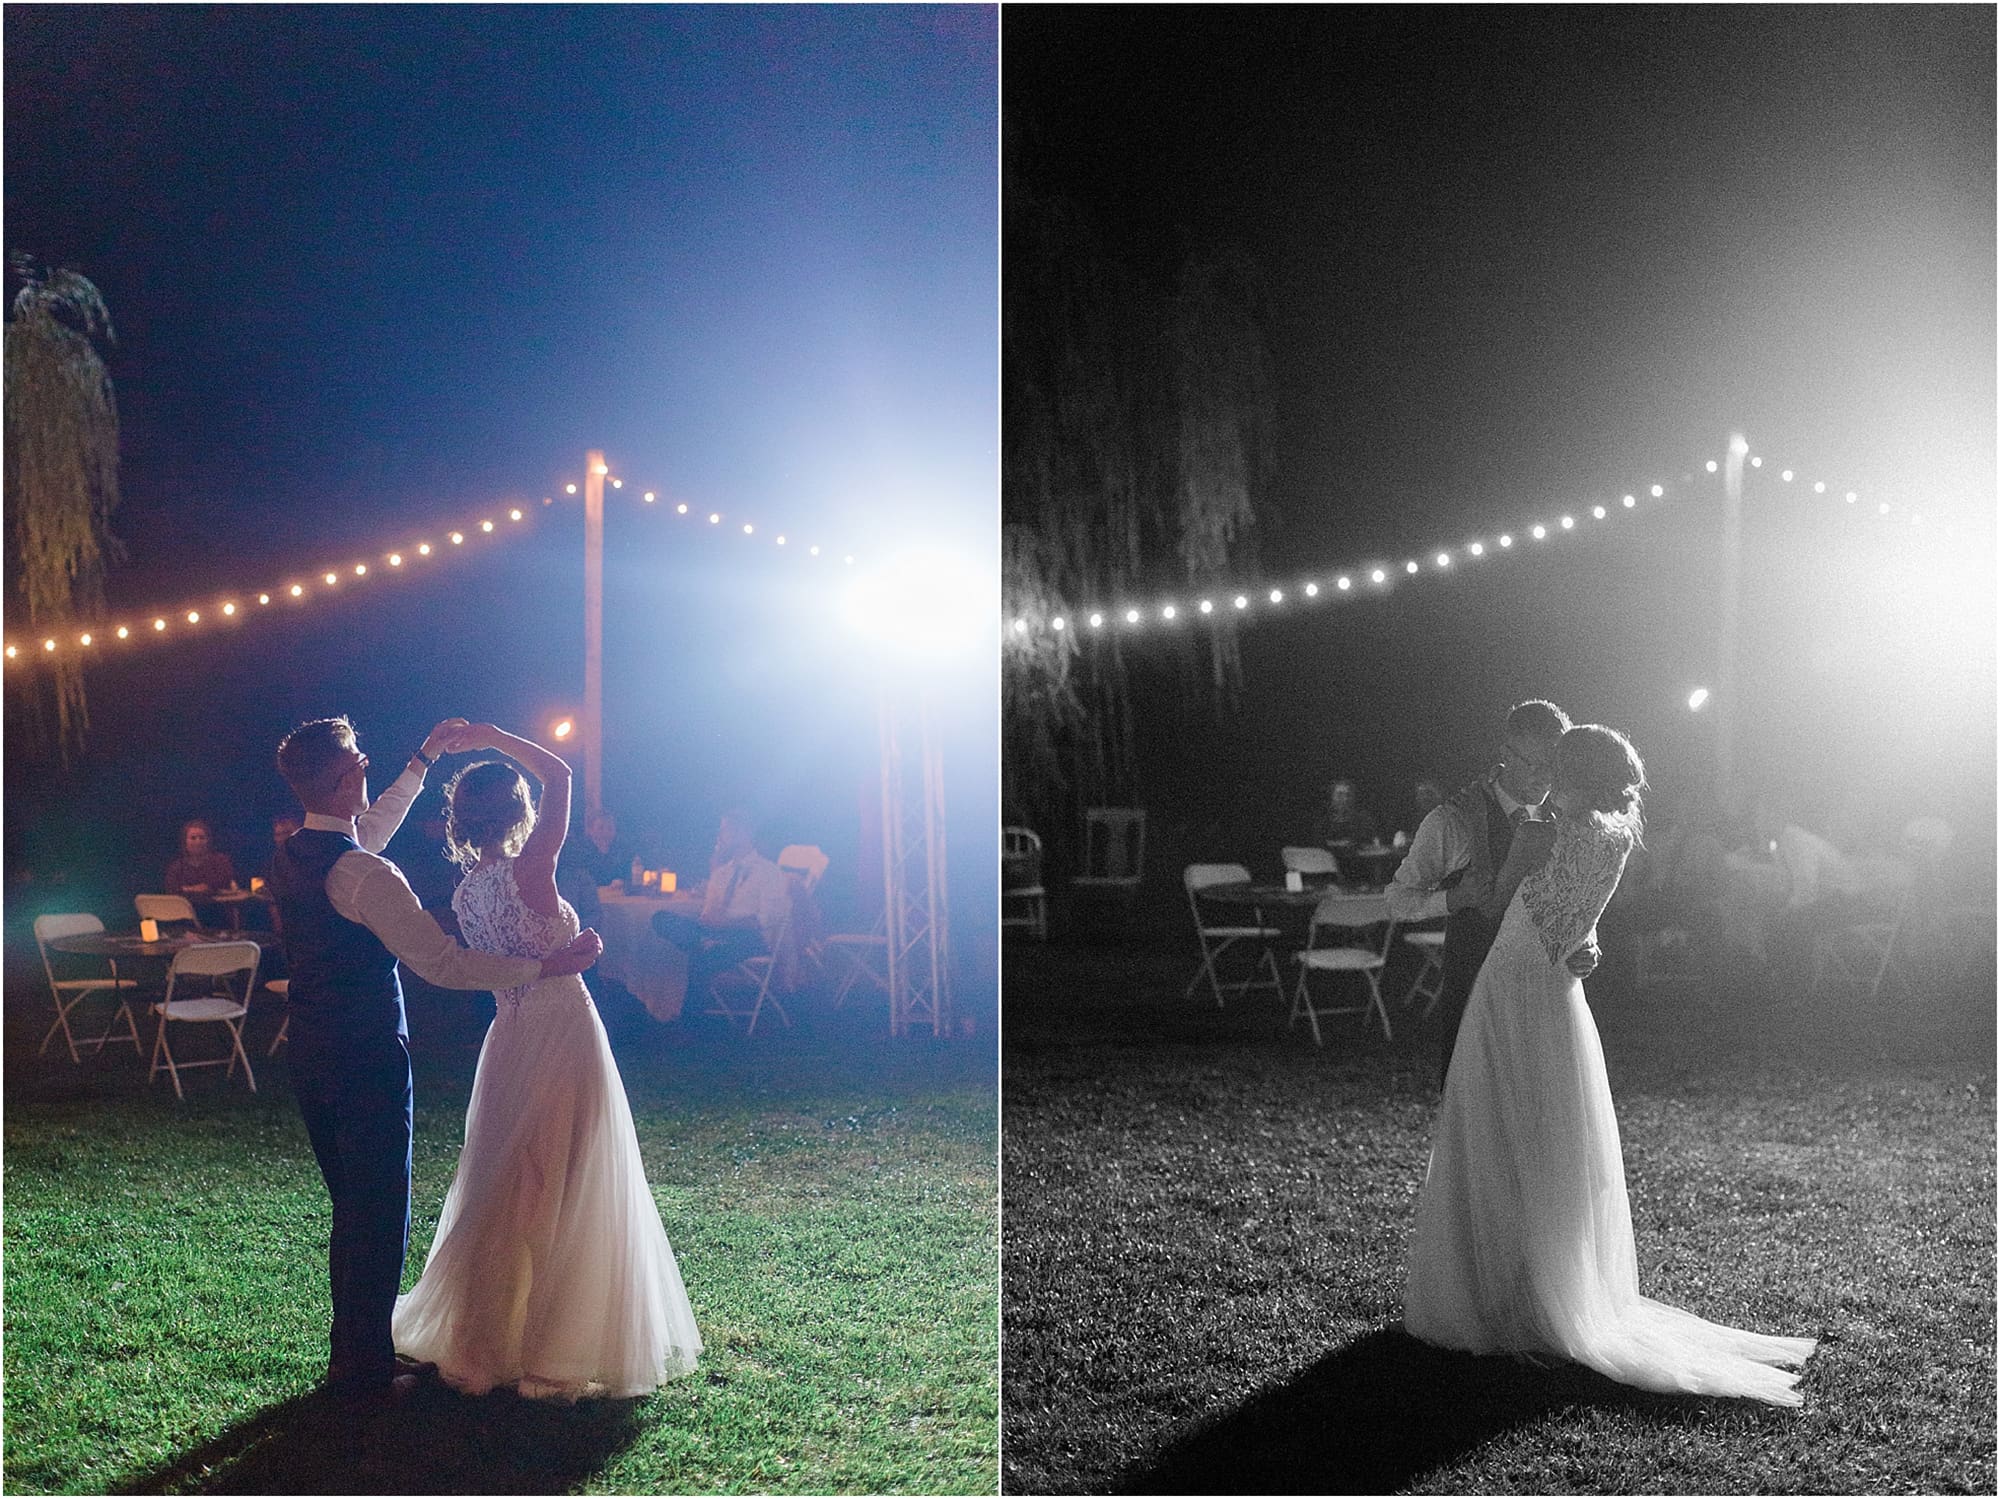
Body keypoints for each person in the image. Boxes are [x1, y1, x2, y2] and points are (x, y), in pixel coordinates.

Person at [1404, 725, 1816, 1404]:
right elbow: (1579, 918)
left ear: (1570, 771)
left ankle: (1504, 1296)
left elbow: (1502, 902)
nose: (1543, 775)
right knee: (1550, 1145)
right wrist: (1580, 945)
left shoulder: (1543, 830)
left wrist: (1500, 875)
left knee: (1499, 1135)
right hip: (1558, 996)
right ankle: (1544, 1285)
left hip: (1510, 987)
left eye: (1554, 765)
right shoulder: (1618, 836)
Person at [270, 715, 604, 1405]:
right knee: (376, 1207)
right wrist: (549, 963)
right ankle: (364, 1369)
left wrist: (421, 758)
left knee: (351, 1205)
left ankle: (353, 1353)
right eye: (361, 758)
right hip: (363, 1052)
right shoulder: (367, 871)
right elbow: (443, 962)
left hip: (308, 1046)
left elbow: (370, 828)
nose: (368, 763)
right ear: (345, 777)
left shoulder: (298, 851)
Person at [391, 724, 701, 1397]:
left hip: (507, 1037)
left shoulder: (465, 892)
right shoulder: (531, 867)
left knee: (505, 1183)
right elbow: (561, 774)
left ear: (462, 822)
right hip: (561, 1027)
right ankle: (552, 1355)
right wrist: (490, 736)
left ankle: (480, 1349)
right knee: (571, 1174)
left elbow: (489, 965)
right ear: (517, 812)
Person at [1388, 700, 1596, 1087]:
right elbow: (1398, 901)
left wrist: (1585, 942)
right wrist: (1455, 899)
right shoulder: (1453, 820)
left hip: (1550, 994)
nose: (1543, 777)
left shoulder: (1568, 816)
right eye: (1532, 763)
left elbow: (1575, 896)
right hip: (1478, 986)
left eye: (1552, 766)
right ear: (1505, 754)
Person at [651, 809, 790, 1002]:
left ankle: (690, 1022)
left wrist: (725, 923)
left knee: (702, 958)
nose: (720, 836)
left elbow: (769, 918)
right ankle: (704, 942)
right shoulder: (721, 873)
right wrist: (709, 918)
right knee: (661, 918)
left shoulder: (768, 871)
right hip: (716, 932)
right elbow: (710, 911)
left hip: (749, 937)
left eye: (725, 830)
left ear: (744, 833)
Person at [165, 818, 238, 923]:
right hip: (186, 918)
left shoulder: (220, 861)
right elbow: (172, 890)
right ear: (185, 842)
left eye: (202, 838)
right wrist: (197, 889)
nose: (198, 841)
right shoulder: (177, 866)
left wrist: (193, 889)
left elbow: (223, 882)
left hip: (218, 914)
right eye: (193, 838)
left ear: (208, 840)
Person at [1311, 778, 1381, 848]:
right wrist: (1339, 844)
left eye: (1348, 795)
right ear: (1332, 796)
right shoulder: (1323, 817)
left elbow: (1373, 839)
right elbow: (1317, 842)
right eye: (1339, 794)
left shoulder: (1363, 818)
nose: (1345, 799)